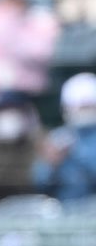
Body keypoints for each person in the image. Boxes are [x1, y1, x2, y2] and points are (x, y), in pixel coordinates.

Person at [34, 71, 96, 202]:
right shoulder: (58, 138)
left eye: (87, 107)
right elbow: (40, 182)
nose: (81, 111)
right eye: (76, 107)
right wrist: (51, 165)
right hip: (66, 215)